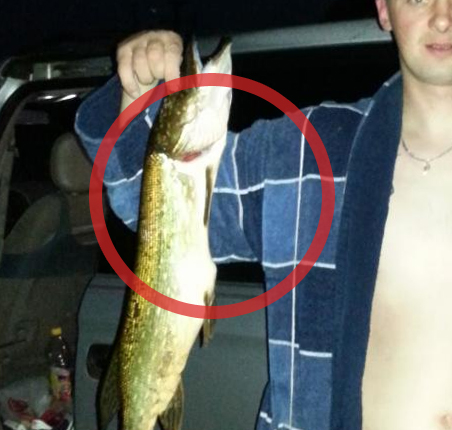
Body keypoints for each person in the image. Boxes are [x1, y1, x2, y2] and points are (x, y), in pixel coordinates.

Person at [74, 0, 452, 429]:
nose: (442, 17)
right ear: (384, 9)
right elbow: (143, 197)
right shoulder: (305, 153)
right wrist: (135, 94)